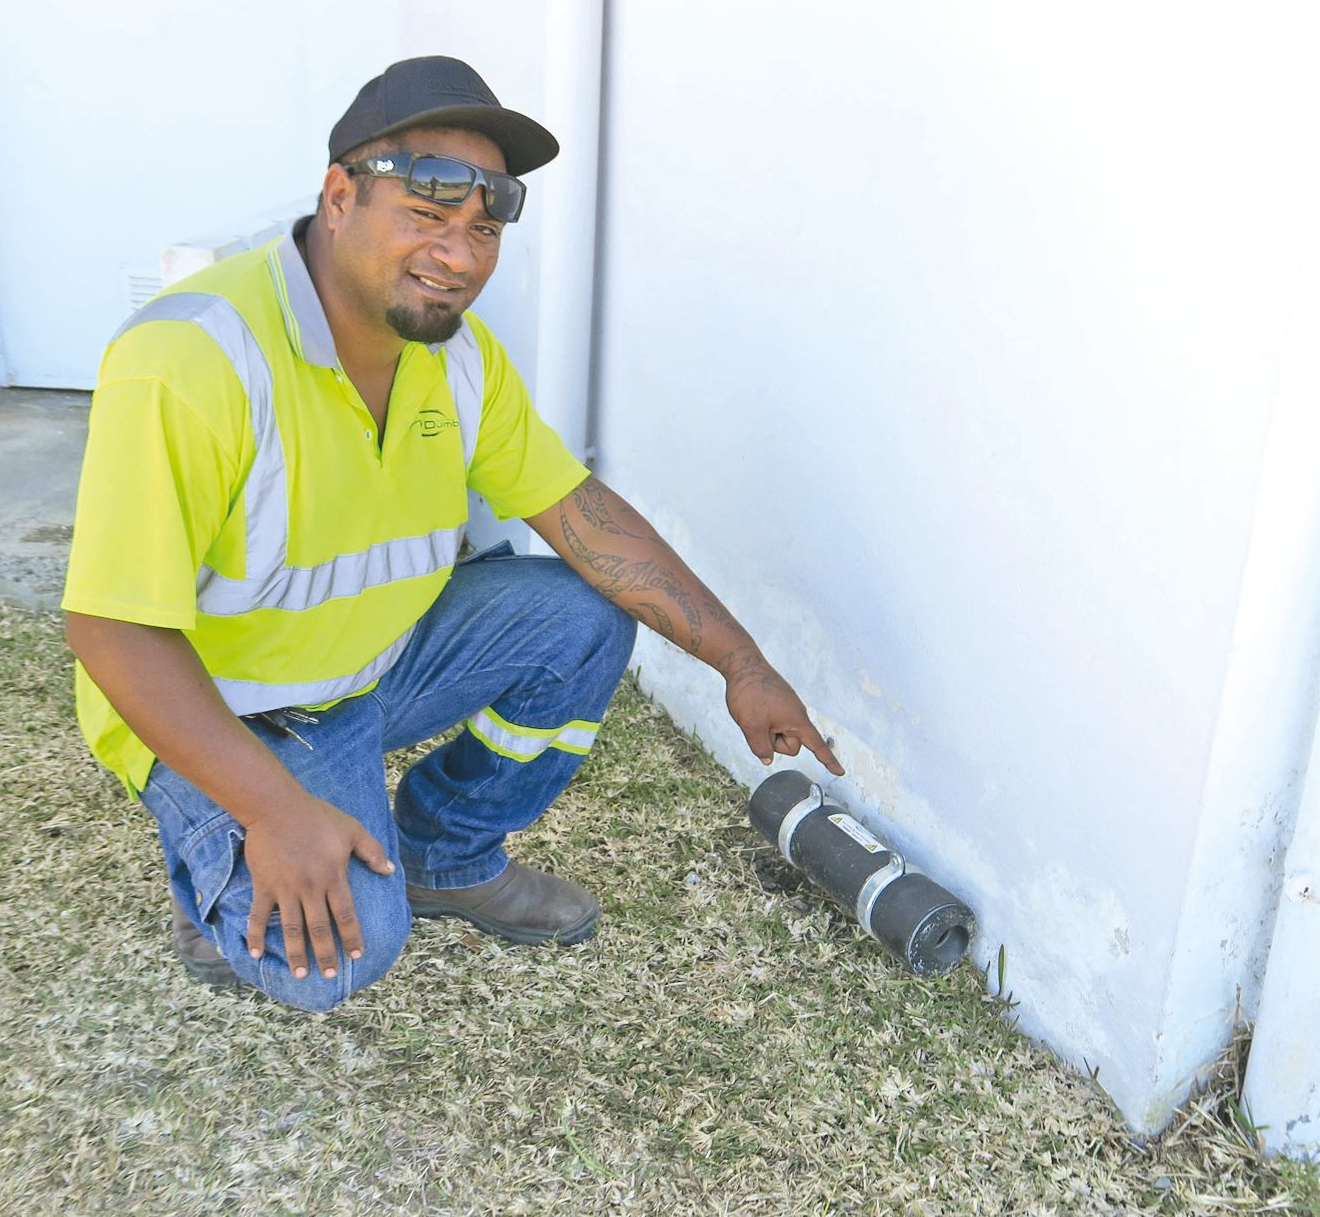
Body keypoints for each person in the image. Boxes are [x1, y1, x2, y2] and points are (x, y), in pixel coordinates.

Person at [62, 56, 841, 1012]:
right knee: (333, 964)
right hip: (234, 710)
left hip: (371, 671)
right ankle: (209, 855)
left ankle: (445, 855)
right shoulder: (192, 357)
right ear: (339, 197)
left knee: (581, 615)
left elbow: (584, 519)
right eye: (427, 214)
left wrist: (741, 662)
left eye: (483, 228)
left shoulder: (457, 358)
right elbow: (111, 628)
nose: (461, 257)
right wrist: (273, 810)